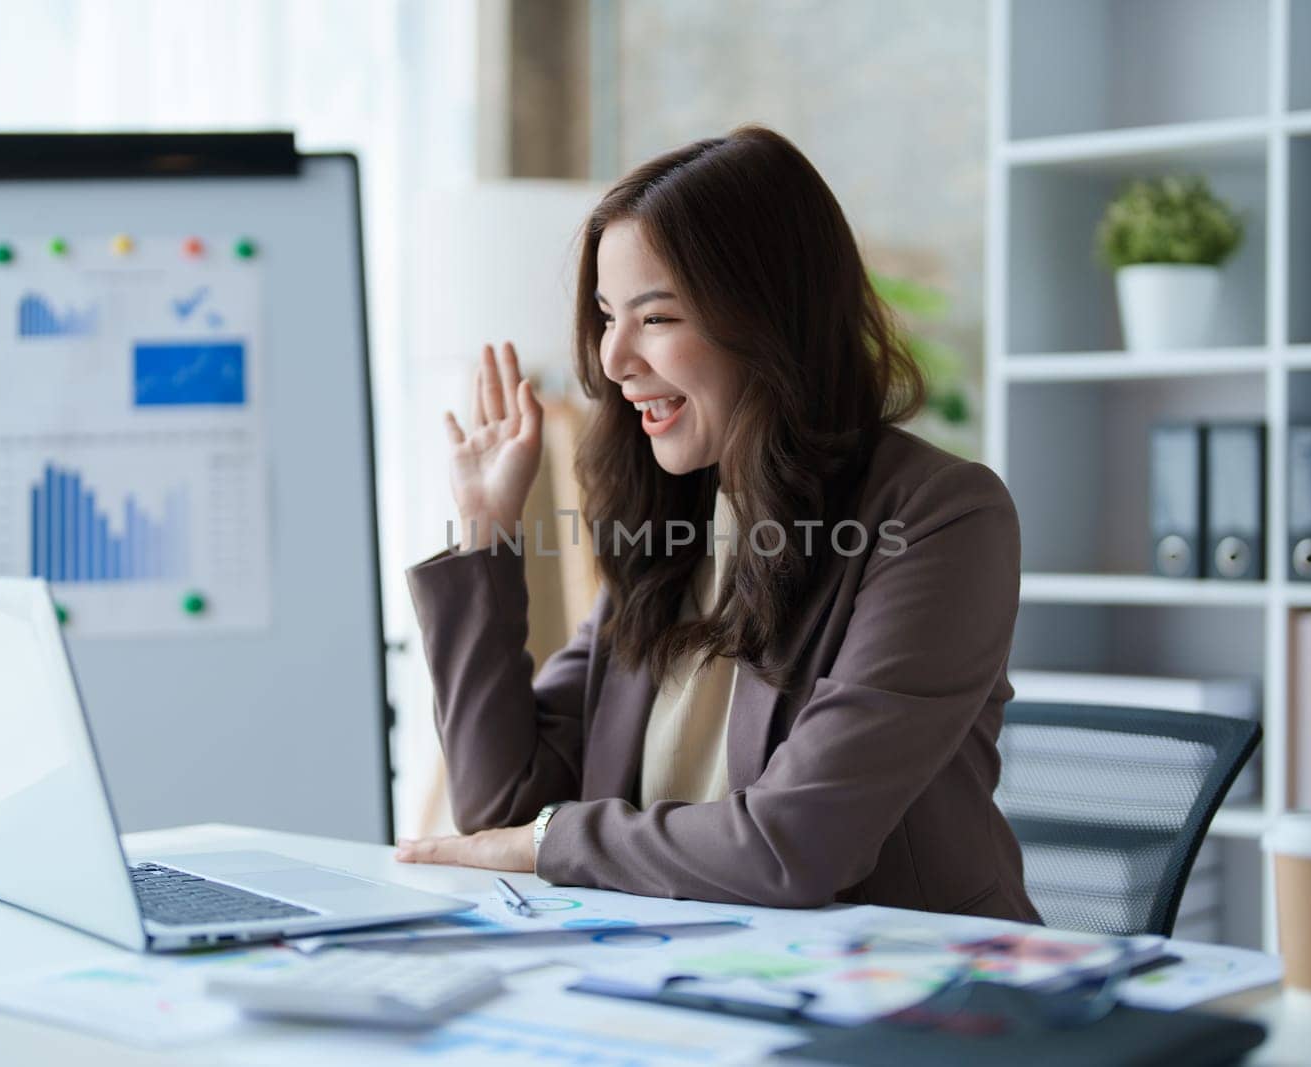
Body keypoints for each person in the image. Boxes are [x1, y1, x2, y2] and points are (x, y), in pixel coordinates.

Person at [396, 125, 1038, 921]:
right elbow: (502, 801)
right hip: (690, 973)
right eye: (606, 316)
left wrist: (551, 840)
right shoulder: (671, 529)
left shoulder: (942, 518)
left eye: (656, 318)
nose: (611, 359)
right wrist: (486, 533)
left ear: (770, 318)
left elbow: (794, 844)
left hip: (907, 990)